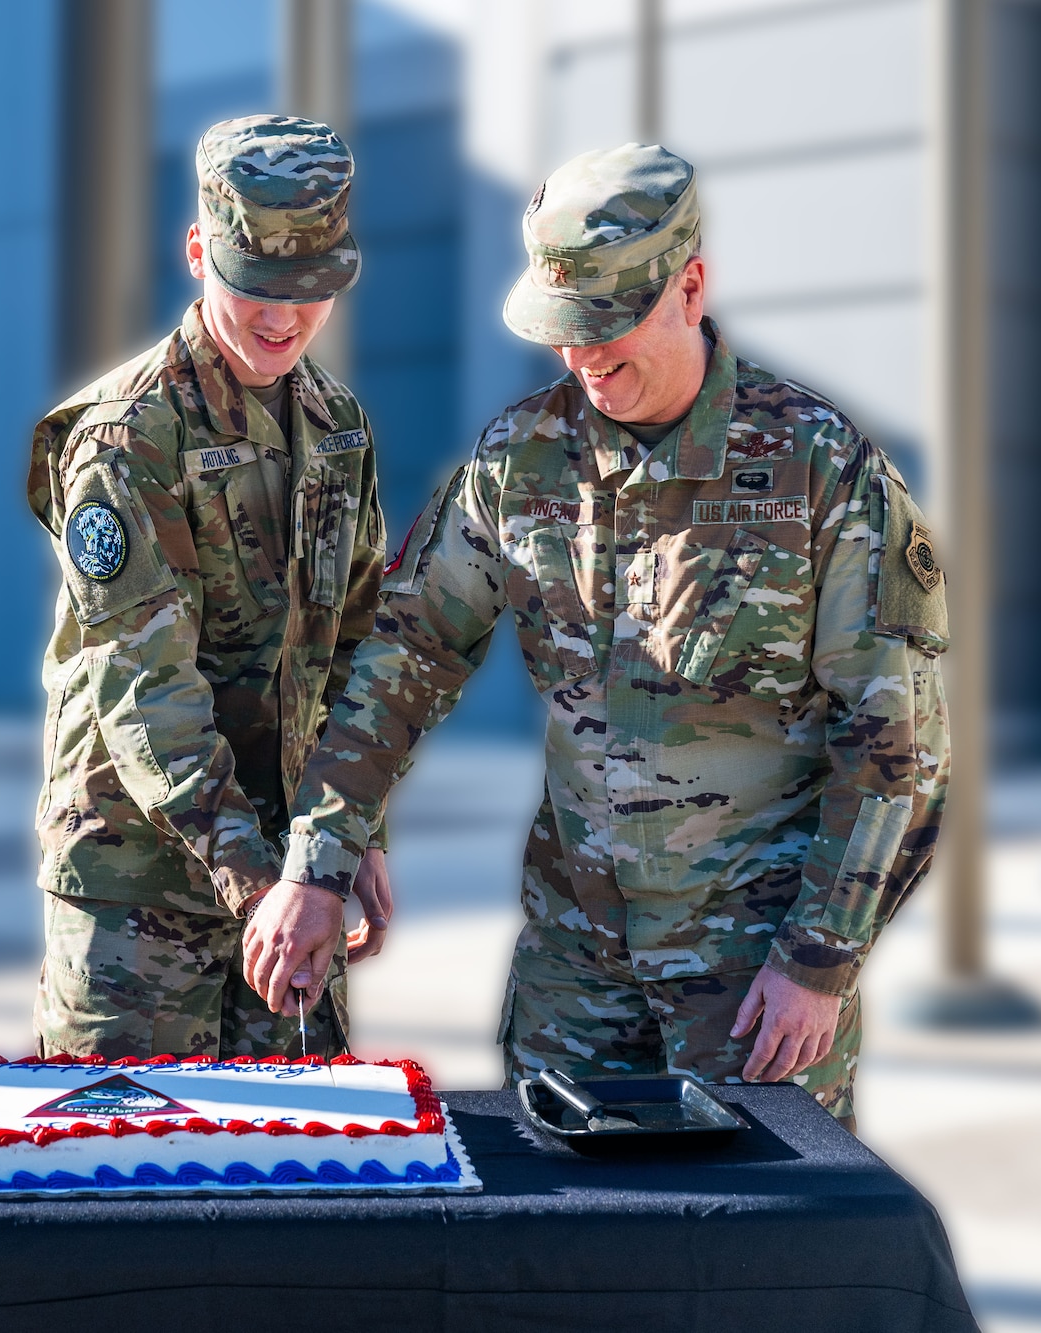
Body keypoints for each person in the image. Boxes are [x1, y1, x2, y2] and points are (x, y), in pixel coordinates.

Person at [244, 143, 949, 1124]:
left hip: (750, 979)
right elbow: (404, 657)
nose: (582, 355)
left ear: (690, 285)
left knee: (753, 1258)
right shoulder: (517, 461)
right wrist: (318, 864)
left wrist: (818, 962)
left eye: (608, 323)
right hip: (571, 968)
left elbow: (895, 754)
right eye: (562, 328)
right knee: (557, 1245)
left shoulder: (817, 471)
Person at [26, 115, 394, 1060]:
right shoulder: (128, 436)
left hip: (288, 884)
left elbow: (360, 646)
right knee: (123, 1179)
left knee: (297, 1175)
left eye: (310, 289)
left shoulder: (336, 422)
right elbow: (148, 693)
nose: (283, 317)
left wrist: (348, 836)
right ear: (197, 253)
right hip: (138, 898)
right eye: (255, 285)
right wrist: (262, 880)